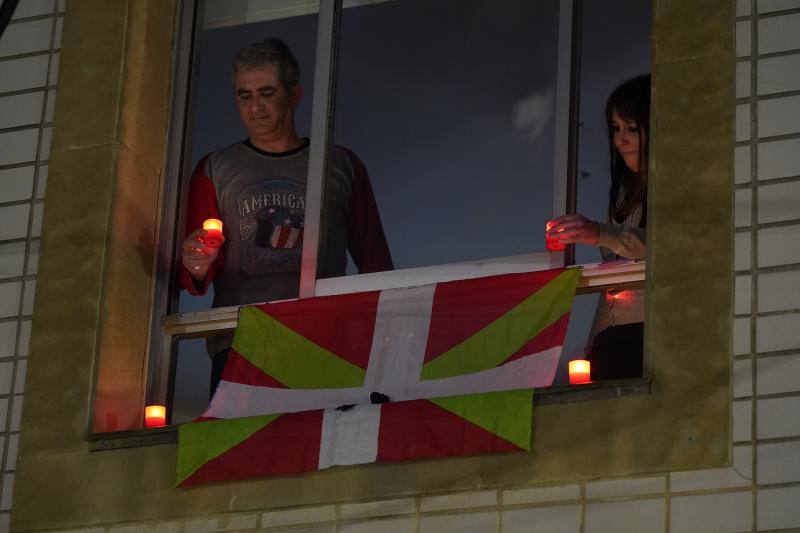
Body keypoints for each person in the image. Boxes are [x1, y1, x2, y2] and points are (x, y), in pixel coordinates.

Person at [180, 38, 393, 396]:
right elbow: (197, 266)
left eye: (267, 93)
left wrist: (382, 340)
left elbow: (376, 263)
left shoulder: (340, 165)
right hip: (241, 341)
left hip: (323, 339)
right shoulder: (215, 169)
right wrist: (197, 262)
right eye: (244, 96)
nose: (255, 107)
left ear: (295, 95)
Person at [547, 74, 650, 380]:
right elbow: (615, 280)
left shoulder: (675, 188)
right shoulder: (625, 198)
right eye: (616, 128)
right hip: (615, 336)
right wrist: (594, 340)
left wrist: (598, 233)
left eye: (632, 128)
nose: (621, 140)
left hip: (650, 331)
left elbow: (664, 243)